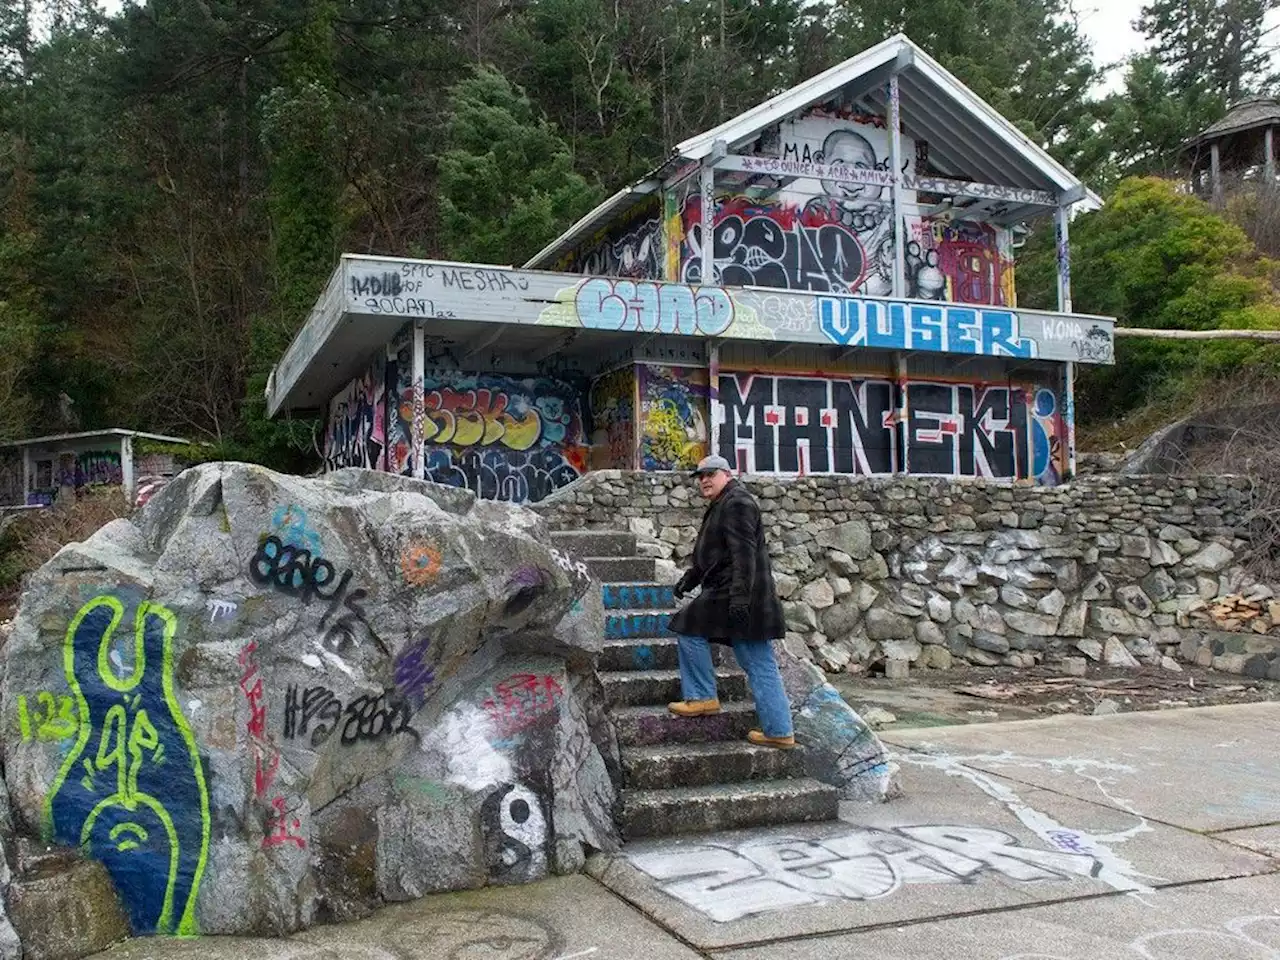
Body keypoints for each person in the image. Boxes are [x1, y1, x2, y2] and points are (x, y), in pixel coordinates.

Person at [667, 455, 795, 749]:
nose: (704, 480)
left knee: (687, 627)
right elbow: (714, 554)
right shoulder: (723, 503)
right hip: (739, 593)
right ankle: (779, 731)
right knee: (757, 661)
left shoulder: (737, 503)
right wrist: (692, 578)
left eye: (710, 474)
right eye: (700, 477)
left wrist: (740, 600)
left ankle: (702, 696)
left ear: (727, 473)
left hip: (737, 592)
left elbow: (743, 556)